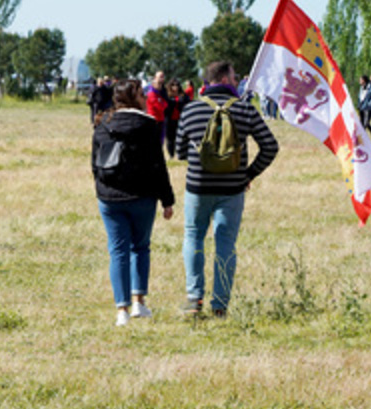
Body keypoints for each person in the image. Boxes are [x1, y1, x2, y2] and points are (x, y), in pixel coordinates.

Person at [175, 61, 278, 318]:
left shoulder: (191, 109)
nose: (237, 80)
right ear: (223, 78)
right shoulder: (245, 109)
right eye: (234, 76)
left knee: (193, 236)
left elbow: (179, 151)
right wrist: (248, 174)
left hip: (197, 187)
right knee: (225, 243)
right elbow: (270, 146)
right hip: (232, 188)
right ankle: (220, 304)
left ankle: (194, 297)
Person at [91, 78, 174, 326]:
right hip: (142, 196)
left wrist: (101, 189)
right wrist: (167, 200)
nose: (145, 97)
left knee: (118, 251)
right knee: (140, 247)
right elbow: (158, 165)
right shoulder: (148, 125)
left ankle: (121, 311)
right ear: (133, 97)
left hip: (109, 196)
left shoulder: (102, 123)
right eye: (141, 93)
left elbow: (94, 162)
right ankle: (139, 303)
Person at [357, 75, 371, 141]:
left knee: (365, 123)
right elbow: (360, 97)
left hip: (368, 109)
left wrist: (369, 104)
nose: (359, 81)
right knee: (362, 123)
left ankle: (363, 139)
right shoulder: (361, 87)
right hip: (361, 108)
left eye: (361, 80)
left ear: (364, 80)